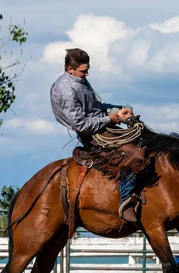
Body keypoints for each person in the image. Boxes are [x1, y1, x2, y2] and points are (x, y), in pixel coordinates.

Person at [50, 48, 140, 224]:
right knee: (135, 155)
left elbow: (96, 107)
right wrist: (113, 119)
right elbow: (81, 125)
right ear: (70, 69)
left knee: (145, 141)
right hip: (92, 136)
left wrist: (117, 110)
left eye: (87, 69)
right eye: (83, 71)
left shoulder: (79, 81)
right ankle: (126, 200)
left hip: (100, 127)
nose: (87, 74)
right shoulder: (68, 90)